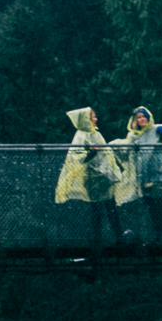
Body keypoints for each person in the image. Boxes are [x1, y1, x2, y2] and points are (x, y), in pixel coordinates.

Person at [52, 106, 130, 250]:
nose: (96, 119)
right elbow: (77, 156)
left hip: (104, 178)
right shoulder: (81, 135)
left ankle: (114, 239)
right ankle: (100, 241)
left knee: (108, 208)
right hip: (94, 179)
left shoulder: (94, 133)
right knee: (99, 210)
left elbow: (106, 155)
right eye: (93, 117)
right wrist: (91, 154)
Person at [117, 105, 162, 246]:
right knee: (152, 208)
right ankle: (159, 236)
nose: (142, 119)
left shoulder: (157, 130)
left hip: (158, 174)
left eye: (144, 116)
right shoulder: (133, 136)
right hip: (144, 177)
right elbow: (127, 154)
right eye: (138, 117)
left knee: (161, 205)